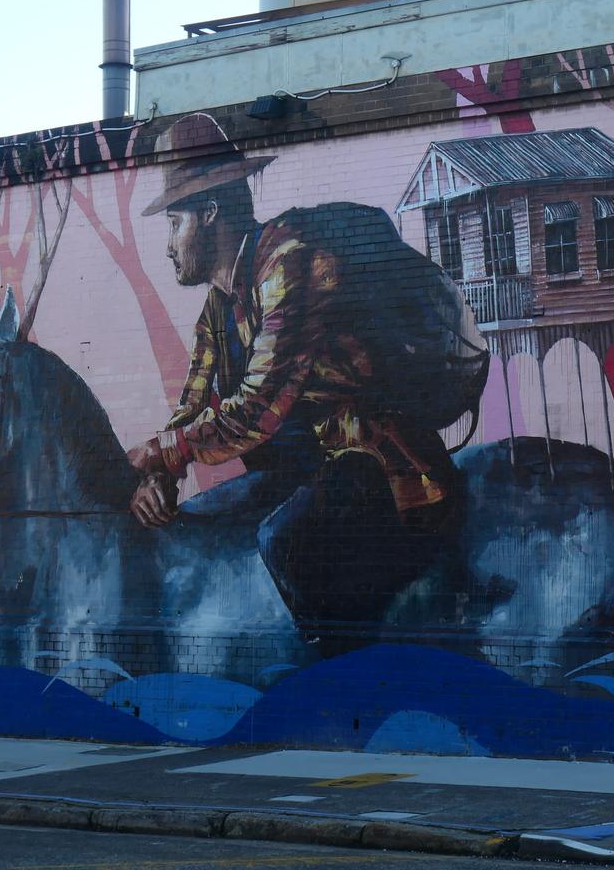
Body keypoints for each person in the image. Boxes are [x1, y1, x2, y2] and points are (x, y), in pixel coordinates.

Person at [124, 114, 460, 652]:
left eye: (174, 223)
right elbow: (193, 405)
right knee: (194, 526)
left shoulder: (293, 266)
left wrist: (162, 451)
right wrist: (162, 473)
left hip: (366, 460)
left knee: (286, 543)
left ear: (209, 214)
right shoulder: (217, 308)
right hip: (292, 471)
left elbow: (260, 405)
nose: (168, 245)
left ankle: (347, 676)